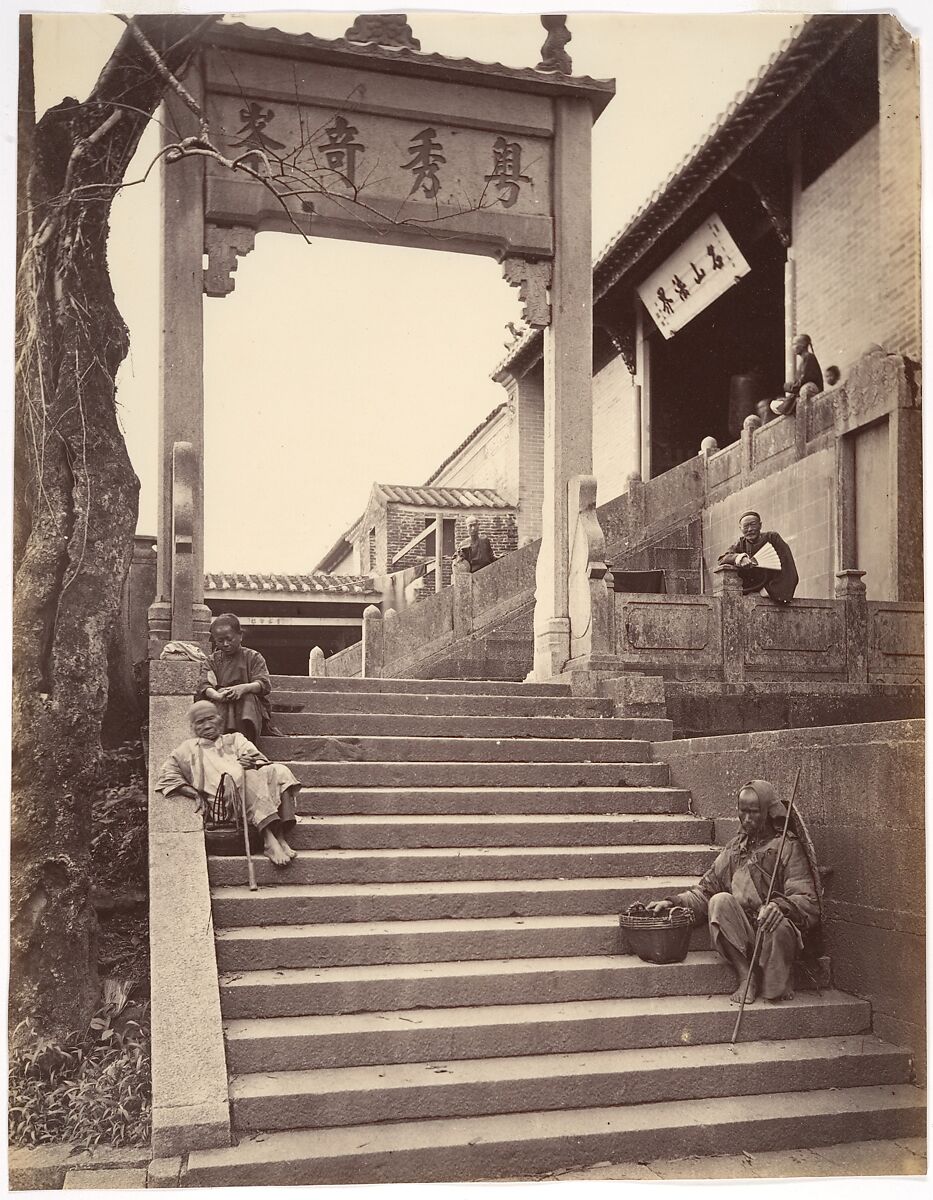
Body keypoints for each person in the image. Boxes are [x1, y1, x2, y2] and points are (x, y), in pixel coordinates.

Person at [646, 779, 819, 1004]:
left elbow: (808, 900)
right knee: (719, 901)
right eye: (742, 811)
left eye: (754, 812)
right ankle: (747, 975)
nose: (747, 819)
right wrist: (673, 902)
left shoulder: (788, 847)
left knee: (777, 930)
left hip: (775, 933)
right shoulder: (735, 850)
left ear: (768, 812)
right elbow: (706, 891)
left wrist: (780, 907)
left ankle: (779, 975)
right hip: (745, 934)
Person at [156, 700, 300, 867]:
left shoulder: (235, 739)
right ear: (193, 727)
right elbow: (167, 775)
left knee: (279, 770)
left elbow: (258, 759)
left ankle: (280, 837)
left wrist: (251, 762)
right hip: (226, 804)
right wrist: (194, 794)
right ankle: (268, 839)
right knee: (240, 776)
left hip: (254, 794)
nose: (207, 725)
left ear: (220, 719)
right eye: (200, 722)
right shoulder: (186, 749)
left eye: (210, 718)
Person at [198, 613, 273, 741]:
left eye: (229, 639)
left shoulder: (253, 657)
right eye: (220, 641)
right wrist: (217, 695)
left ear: (240, 636)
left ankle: (246, 743)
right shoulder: (212, 661)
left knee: (248, 697)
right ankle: (218, 743)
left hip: (247, 704)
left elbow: (263, 684)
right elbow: (204, 685)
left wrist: (243, 688)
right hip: (221, 702)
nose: (225, 644)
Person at [718, 510, 798, 603]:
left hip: (770, 591)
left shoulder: (772, 538)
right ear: (741, 529)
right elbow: (722, 559)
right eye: (746, 526)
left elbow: (788, 568)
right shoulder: (741, 544)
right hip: (750, 592)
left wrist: (769, 590)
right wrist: (739, 558)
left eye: (753, 524)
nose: (750, 529)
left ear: (760, 525)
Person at [771, 334, 824, 416]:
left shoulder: (809, 358)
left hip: (809, 391)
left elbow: (803, 381)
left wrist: (787, 386)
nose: (793, 347)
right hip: (799, 394)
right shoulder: (803, 361)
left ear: (802, 345)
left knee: (805, 388)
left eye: (794, 344)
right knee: (774, 404)